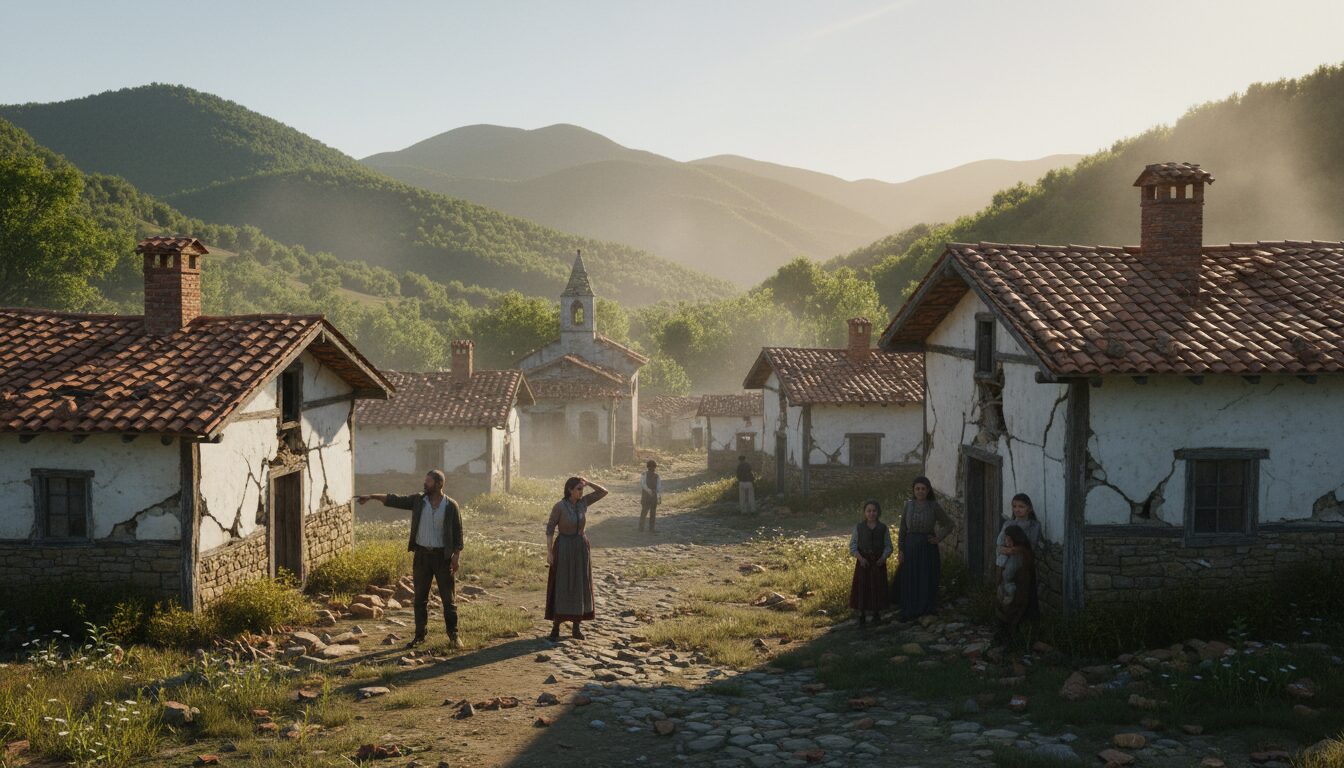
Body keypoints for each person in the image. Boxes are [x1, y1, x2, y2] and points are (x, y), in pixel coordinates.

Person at [357, 470, 463, 649]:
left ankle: (454, 636)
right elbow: (395, 500)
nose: (425, 484)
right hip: (421, 557)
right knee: (420, 599)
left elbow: (458, 533)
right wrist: (372, 497)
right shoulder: (419, 501)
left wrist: (456, 557)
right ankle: (420, 636)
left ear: (438, 485)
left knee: (448, 599)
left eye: (428, 482)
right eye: (425, 481)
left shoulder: (451, 505)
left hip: (442, 558)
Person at [545, 476, 608, 641]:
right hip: (564, 547)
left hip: (580, 547)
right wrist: (549, 552)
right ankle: (556, 627)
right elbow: (550, 528)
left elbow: (603, 492)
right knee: (562, 584)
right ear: (569, 490)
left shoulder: (583, 503)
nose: (581, 492)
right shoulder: (559, 506)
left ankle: (576, 627)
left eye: (582, 489)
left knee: (580, 584)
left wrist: (588, 482)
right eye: (578, 489)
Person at [893, 475, 953, 621]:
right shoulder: (908, 505)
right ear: (913, 490)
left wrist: (938, 538)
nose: (920, 491)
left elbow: (949, 524)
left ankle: (925, 608)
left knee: (925, 577)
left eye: (923, 489)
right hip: (910, 546)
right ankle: (909, 608)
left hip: (927, 548)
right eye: (917, 489)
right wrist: (901, 549)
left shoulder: (933, 506)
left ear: (928, 491)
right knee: (909, 578)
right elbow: (902, 529)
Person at [995, 493, 1042, 618]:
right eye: (1014, 506)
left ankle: (1022, 626)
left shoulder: (1034, 525)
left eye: (1021, 506)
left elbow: (1031, 545)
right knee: (1003, 584)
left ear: (1029, 508)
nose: (1017, 509)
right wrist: (1004, 550)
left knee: (1021, 595)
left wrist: (1014, 550)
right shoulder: (1008, 524)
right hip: (1006, 562)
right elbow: (999, 544)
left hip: (1023, 565)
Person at [848, 500, 892, 627]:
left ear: (878, 512)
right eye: (869, 511)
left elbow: (889, 546)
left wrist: (883, 558)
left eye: (874, 511)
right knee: (863, 587)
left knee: (877, 586)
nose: (871, 513)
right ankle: (861, 614)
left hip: (878, 562)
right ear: (864, 513)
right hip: (863, 562)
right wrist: (860, 558)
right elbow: (853, 546)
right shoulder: (859, 527)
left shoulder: (883, 528)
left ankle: (876, 614)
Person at [994, 526, 1037, 647]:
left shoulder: (1018, 554)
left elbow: (1008, 574)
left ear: (1016, 539)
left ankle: (1011, 644)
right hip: (1015, 588)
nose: (1006, 542)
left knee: (1012, 617)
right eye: (1006, 539)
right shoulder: (1017, 552)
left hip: (1017, 590)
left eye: (1009, 539)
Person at [639, 460, 661, 533]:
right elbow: (643, 485)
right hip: (647, 496)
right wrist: (651, 492)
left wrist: (657, 495)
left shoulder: (657, 476)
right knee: (645, 512)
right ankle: (642, 528)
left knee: (652, 513)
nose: (652, 469)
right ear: (648, 467)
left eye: (653, 467)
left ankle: (650, 528)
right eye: (651, 467)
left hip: (650, 496)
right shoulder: (644, 474)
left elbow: (658, 487)